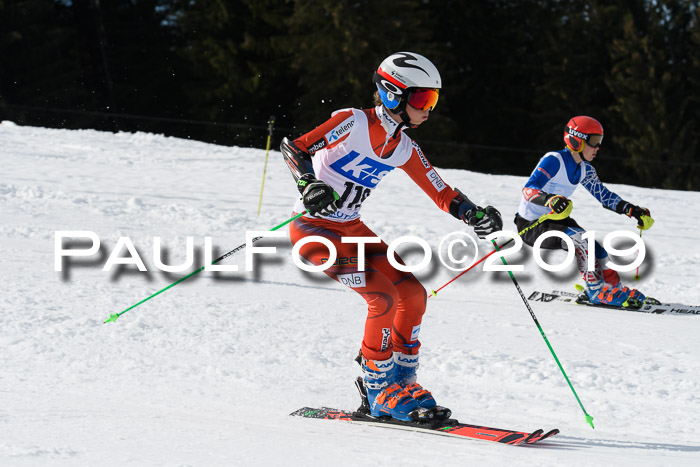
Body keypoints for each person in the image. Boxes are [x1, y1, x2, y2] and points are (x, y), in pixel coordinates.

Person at [281, 52, 502, 422]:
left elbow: (441, 191)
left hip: (352, 228)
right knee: (381, 296)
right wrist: (309, 184)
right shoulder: (351, 122)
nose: (428, 109)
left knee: (412, 293)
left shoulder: (403, 146)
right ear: (391, 93)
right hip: (313, 229)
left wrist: (473, 213)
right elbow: (296, 148)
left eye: (432, 100)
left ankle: (402, 381)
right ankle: (378, 388)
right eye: (421, 99)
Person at [515, 115, 654, 307]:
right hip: (531, 226)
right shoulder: (554, 160)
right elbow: (529, 189)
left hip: (556, 220)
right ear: (576, 140)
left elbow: (604, 196)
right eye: (594, 142)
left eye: (600, 142)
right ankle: (596, 291)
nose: (598, 148)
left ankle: (614, 288)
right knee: (580, 240)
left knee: (598, 250)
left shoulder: (585, 169)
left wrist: (632, 210)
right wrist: (549, 199)